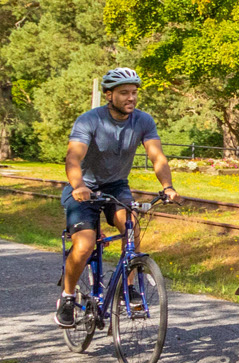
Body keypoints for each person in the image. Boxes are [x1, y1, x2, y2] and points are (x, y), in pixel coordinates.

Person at [56, 67, 179, 328]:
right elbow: (73, 157)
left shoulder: (143, 121)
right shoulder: (89, 120)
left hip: (116, 186)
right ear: (109, 95)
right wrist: (78, 185)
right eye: (124, 93)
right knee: (85, 244)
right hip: (84, 188)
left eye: (134, 93)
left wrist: (167, 186)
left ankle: (129, 289)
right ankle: (67, 297)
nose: (131, 98)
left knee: (130, 226)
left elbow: (157, 157)